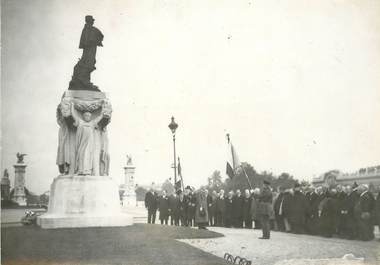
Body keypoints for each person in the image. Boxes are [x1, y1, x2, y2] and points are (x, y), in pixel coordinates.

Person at [70, 103, 105, 175]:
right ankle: (80, 170)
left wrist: (103, 109)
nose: (87, 117)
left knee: (88, 156)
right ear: (83, 116)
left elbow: (99, 117)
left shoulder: (92, 123)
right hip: (82, 143)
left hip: (89, 145)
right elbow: (73, 115)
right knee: (81, 155)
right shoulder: (80, 122)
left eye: (89, 116)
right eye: (86, 115)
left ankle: (87, 171)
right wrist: (72, 106)